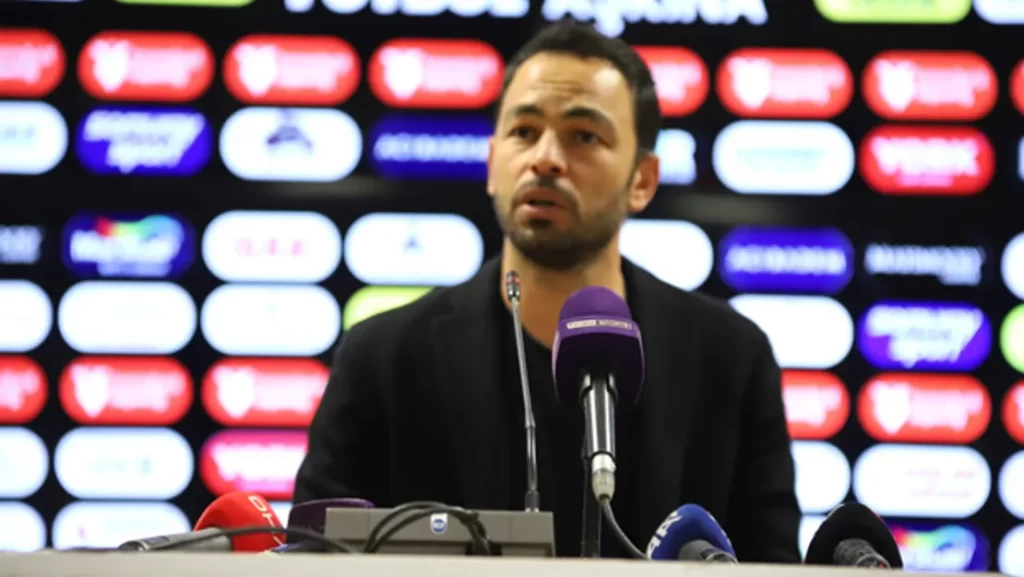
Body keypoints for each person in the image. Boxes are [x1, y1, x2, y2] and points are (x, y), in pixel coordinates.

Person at [294, 20, 801, 562]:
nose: (545, 158)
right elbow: (310, 558)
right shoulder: (382, 357)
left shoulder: (731, 357)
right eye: (524, 131)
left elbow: (772, 565)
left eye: (584, 136)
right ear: (492, 164)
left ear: (642, 180)